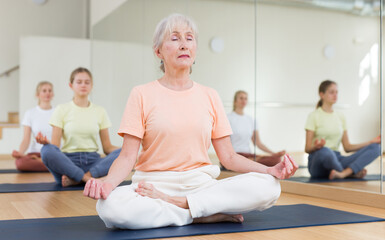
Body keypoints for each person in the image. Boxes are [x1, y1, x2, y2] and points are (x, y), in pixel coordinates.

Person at [83, 13, 298, 230]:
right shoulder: (141, 94)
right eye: (175, 38)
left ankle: (183, 206)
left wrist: (269, 171)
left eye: (189, 38)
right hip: (152, 186)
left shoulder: (210, 95)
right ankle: (197, 214)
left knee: (270, 187)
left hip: (201, 185)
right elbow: (128, 156)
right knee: (109, 208)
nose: (184, 44)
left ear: (195, 51)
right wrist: (108, 183)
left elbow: (229, 157)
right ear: (158, 51)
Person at [36, 67, 121, 187]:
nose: (83, 85)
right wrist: (47, 143)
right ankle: (87, 178)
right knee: (46, 150)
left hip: (93, 162)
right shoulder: (61, 109)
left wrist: (127, 151)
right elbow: (55, 146)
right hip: (69, 163)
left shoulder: (100, 111)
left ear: (91, 86)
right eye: (79, 82)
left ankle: (79, 178)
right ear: (71, 85)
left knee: (125, 152)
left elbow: (107, 148)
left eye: (87, 82)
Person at [305, 80, 380, 179]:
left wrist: (370, 142)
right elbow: (307, 148)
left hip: (337, 159)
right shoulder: (313, 116)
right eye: (331, 92)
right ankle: (351, 173)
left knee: (376, 148)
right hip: (318, 160)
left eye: (336, 92)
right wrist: (317, 147)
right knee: (326, 152)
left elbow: (347, 147)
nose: (335, 95)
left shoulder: (340, 116)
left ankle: (343, 173)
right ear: (322, 95)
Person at [227, 90, 285, 167]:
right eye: (241, 98)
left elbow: (258, 143)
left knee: (277, 160)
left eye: (245, 98)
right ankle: (248, 163)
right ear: (235, 101)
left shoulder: (251, 120)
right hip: (235, 154)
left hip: (249, 155)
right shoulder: (228, 118)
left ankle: (249, 162)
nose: (244, 100)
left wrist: (274, 154)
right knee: (234, 161)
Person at [12, 81, 54, 172]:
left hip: (53, 153)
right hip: (35, 154)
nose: (48, 93)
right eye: (44, 91)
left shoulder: (58, 112)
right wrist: (20, 153)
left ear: (53, 94)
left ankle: (48, 163)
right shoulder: (30, 113)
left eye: (50, 90)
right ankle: (53, 166)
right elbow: (26, 139)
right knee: (20, 163)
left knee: (70, 160)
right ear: (37, 94)